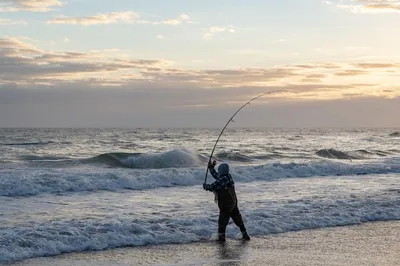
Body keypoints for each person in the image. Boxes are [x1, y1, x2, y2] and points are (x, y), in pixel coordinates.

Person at [203, 160, 250, 242]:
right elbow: (217, 176)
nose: (219, 171)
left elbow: (212, 186)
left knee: (222, 220)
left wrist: (206, 186)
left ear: (221, 170)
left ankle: (221, 238)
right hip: (233, 201)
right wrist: (211, 168)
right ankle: (245, 234)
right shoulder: (228, 176)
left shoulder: (222, 179)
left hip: (226, 204)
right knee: (237, 218)